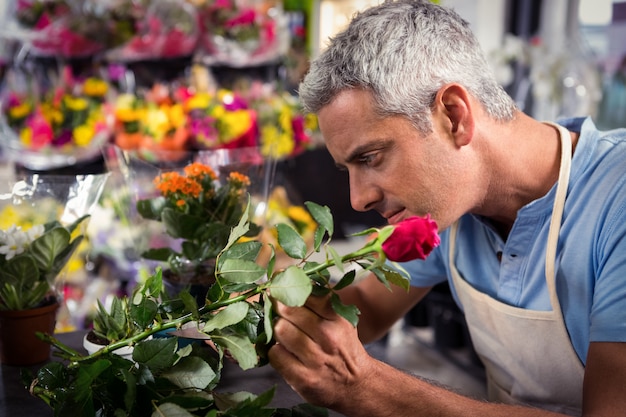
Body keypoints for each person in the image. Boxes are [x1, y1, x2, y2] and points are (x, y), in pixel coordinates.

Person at [267, 1, 626, 416]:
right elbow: (364, 306)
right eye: (348, 167)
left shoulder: (615, 200)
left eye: (370, 158)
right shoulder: (450, 205)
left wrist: (365, 387)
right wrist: (273, 295)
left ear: (454, 116)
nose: (357, 199)